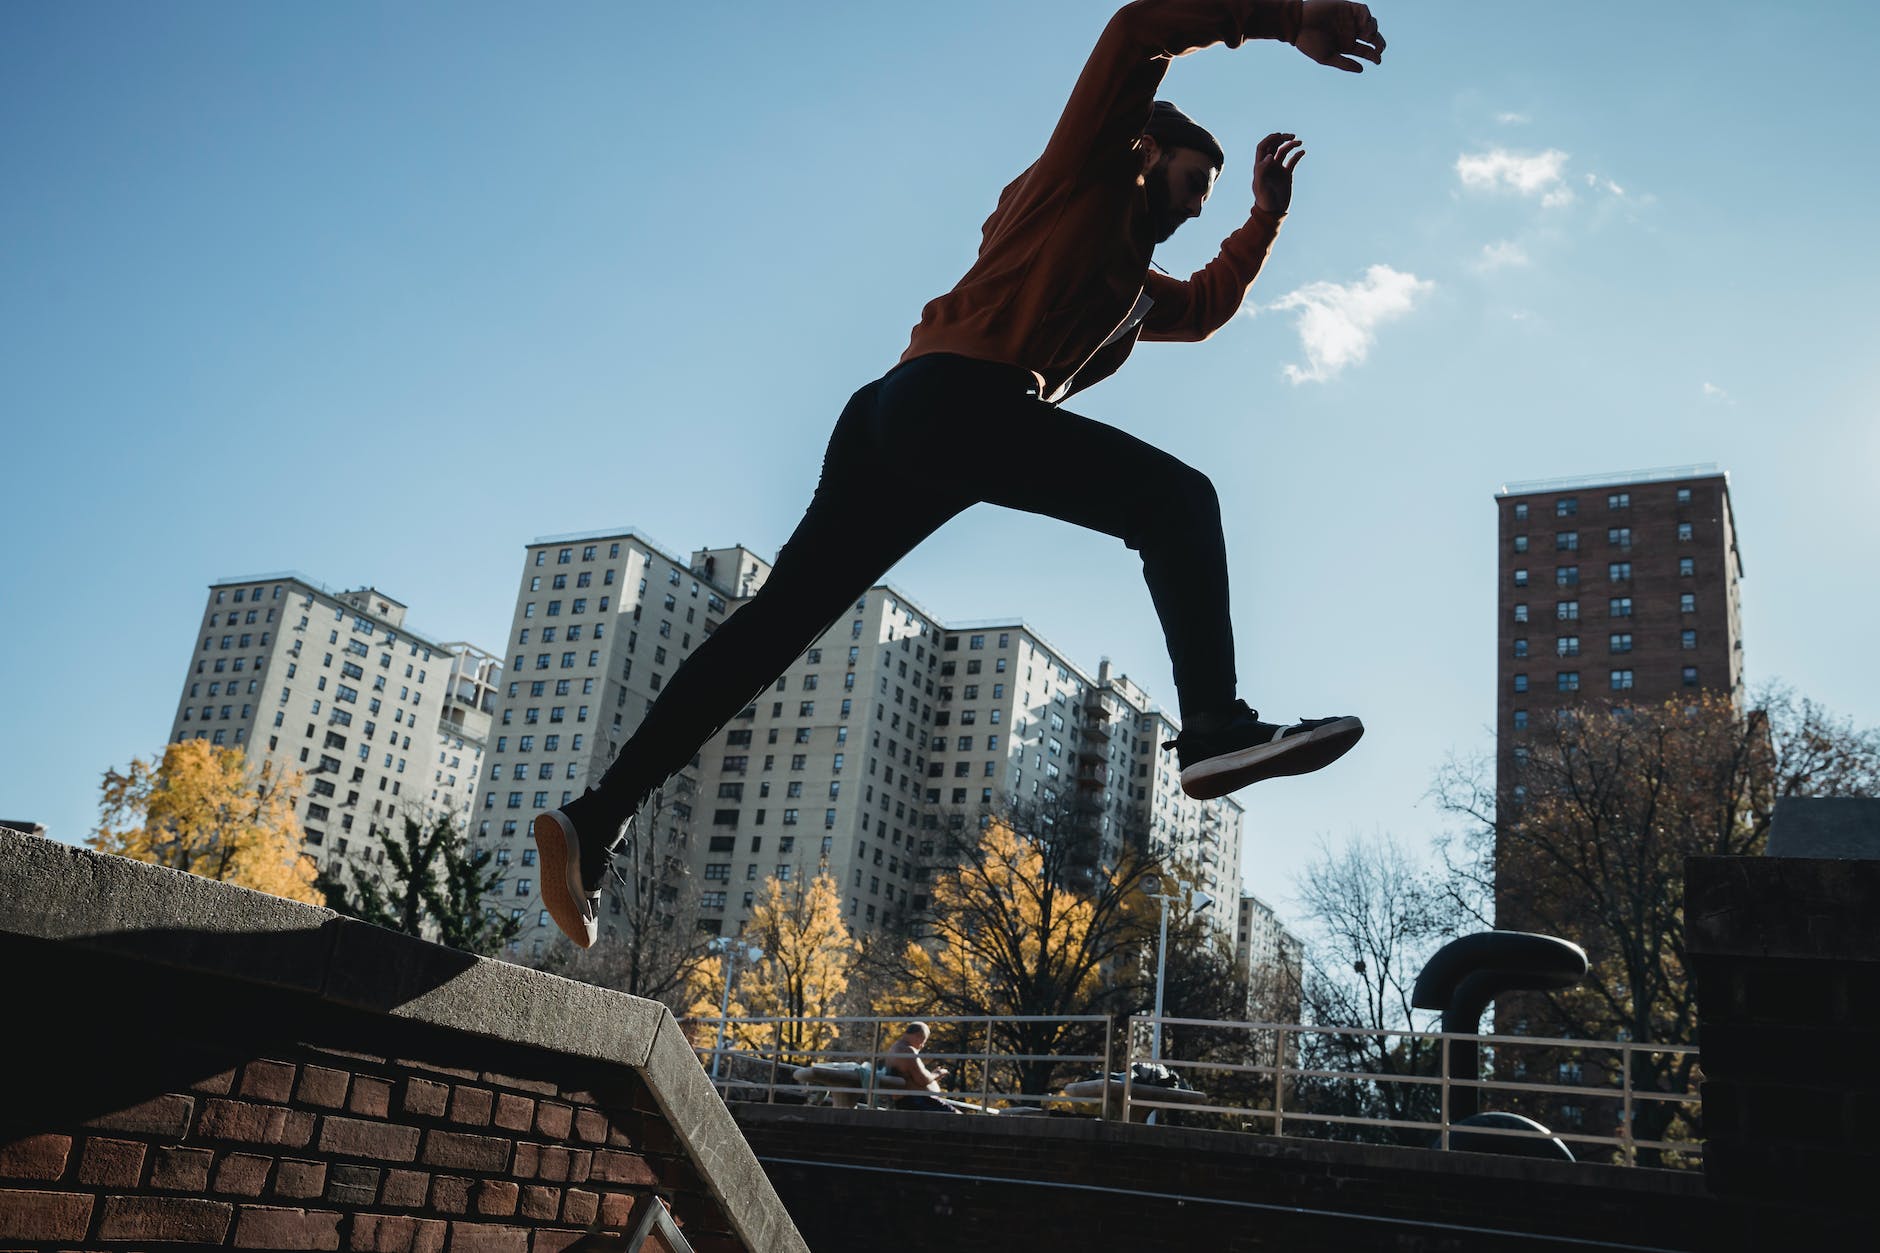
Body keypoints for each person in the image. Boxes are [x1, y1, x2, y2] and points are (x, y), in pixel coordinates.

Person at [535, 0, 1386, 948]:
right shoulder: (1086, 173)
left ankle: (595, 817)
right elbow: (1140, 24)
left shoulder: (1130, 286)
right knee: (1177, 499)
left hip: (901, 423)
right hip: (950, 401)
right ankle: (1217, 727)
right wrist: (1290, 16)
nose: (1197, 206)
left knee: (774, 630)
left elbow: (1200, 309)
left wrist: (1263, 218)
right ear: (1149, 149)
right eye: (1197, 182)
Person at [884, 1022, 955, 1113]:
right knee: (957, 1116)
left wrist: (931, 1077)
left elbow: (913, 1077)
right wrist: (938, 1074)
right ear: (918, 1036)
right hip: (917, 1101)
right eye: (923, 1041)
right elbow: (922, 1080)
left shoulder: (895, 1048)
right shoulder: (907, 1050)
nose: (922, 1046)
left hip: (914, 1100)